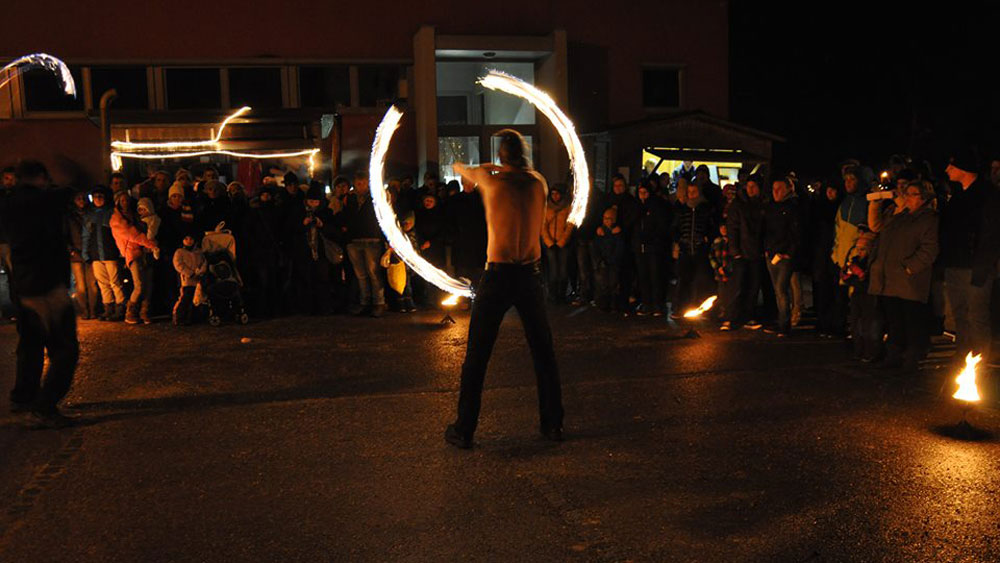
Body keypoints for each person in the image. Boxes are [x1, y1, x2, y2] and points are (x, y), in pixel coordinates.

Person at [446, 129, 563, 449]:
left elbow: (461, 168)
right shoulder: (538, 181)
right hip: (530, 275)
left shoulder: (491, 180)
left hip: (497, 276)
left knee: (477, 357)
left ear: (500, 156)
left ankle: (464, 429)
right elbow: (518, 170)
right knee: (543, 353)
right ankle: (553, 424)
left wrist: (487, 167)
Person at [0, 160, 79, 426]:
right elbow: (67, 192)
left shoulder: (9, 203)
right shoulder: (38, 202)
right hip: (45, 285)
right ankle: (44, 408)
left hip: (24, 285)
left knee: (31, 344)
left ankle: (24, 397)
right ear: (41, 177)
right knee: (65, 348)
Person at [867, 180, 939, 372]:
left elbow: (929, 249)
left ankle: (911, 358)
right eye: (906, 193)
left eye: (912, 194)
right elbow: (880, 229)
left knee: (912, 321)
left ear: (923, 198)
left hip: (909, 282)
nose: (906, 197)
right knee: (894, 320)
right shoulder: (900, 216)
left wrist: (909, 268)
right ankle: (893, 356)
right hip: (890, 279)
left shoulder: (928, 219)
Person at [940, 151, 993, 364]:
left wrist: (983, 266)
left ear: (963, 169)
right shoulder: (958, 196)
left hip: (975, 265)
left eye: (951, 167)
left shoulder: (987, 196)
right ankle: (963, 353)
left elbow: (991, 234)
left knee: (976, 315)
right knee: (960, 313)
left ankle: (980, 359)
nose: (946, 170)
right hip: (955, 263)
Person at [109, 192, 159, 325]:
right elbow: (133, 235)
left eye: (127, 200)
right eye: (122, 200)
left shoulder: (136, 215)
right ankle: (130, 312)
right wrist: (151, 244)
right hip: (132, 252)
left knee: (148, 284)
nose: (125, 202)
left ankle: (145, 312)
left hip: (144, 252)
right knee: (139, 284)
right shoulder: (117, 220)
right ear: (118, 202)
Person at [343, 170, 386, 317]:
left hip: (371, 239)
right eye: (357, 183)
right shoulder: (350, 199)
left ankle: (378, 303)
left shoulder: (376, 197)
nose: (360, 186)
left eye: (362, 183)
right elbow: (347, 216)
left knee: (373, 273)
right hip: (355, 240)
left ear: (368, 183)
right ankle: (365, 302)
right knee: (361, 275)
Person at [725, 176, 766, 330]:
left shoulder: (762, 204)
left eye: (754, 186)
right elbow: (733, 228)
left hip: (756, 253)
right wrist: (735, 251)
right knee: (738, 286)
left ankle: (749, 316)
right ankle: (732, 317)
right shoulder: (739, 205)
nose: (751, 189)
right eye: (748, 186)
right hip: (741, 253)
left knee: (753, 287)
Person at [763, 178, 801, 336]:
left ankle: (784, 325)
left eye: (779, 188)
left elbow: (796, 234)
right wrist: (766, 249)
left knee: (781, 289)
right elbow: (766, 230)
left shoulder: (793, 208)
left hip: (784, 256)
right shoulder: (771, 207)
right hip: (771, 254)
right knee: (777, 290)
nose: (775, 192)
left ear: (787, 189)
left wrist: (788, 252)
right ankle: (782, 322)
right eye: (773, 189)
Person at [83, 185, 126, 321]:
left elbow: (120, 233)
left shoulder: (112, 213)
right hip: (96, 255)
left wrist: (121, 252)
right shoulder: (90, 216)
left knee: (115, 282)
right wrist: (86, 253)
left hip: (110, 253)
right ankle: (109, 309)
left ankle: (120, 308)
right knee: (103, 283)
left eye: (101, 196)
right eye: (96, 197)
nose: (98, 199)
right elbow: (86, 236)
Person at [632, 183, 669, 316]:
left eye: (645, 192)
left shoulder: (656, 206)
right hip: (639, 247)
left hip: (653, 246)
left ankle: (657, 304)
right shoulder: (636, 207)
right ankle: (647, 303)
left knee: (655, 275)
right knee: (643, 276)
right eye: (640, 192)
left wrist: (651, 237)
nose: (642, 195)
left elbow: (661, 226)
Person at [67, 189, 98, 320]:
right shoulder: (69, 217)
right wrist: (71, 250)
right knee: (80, 286)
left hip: (91, 254)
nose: (81, 201)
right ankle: (84, 310)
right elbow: (65, 234)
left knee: (92, 285)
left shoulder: (92, 215)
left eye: (83, 198)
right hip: (76, 255)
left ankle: (93, 310)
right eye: (78, 198)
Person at [542, 184, 573, 303]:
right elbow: (543, 226)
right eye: (553, 194)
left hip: (563, 243)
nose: (555, 196)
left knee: (563, 269)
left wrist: (561, 242)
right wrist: (549, 242)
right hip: (550, 244)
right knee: (553, 270)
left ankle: (561, 294)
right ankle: (553, 295)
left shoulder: (567, 208)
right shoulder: (546, 208)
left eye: (557, 193)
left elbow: (569, 226)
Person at [592, 207, 626, 312]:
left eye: (609, 218)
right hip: (603, 261)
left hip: (613, 262)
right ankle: (604, 304)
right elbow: (596, 247)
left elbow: (619, 248)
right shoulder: (600, 232)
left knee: (613, 283)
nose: (607, 221)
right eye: (605, 218)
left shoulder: (617, 232)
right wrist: (600, 259)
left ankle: (613, 304)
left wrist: (613, 259)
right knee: (603, 284)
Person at [172, 233, 206, 326]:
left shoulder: (199, 252)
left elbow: (204, 262)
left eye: (191, 238)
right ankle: (179, 318)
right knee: (185, 298)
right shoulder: (179, 252)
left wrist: (201, 272)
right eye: (186, 238)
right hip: (186, 280)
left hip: (197, 279)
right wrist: (190, 273)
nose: (189, 241)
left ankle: (192, 318)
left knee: (196, 299)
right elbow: (178, 265)